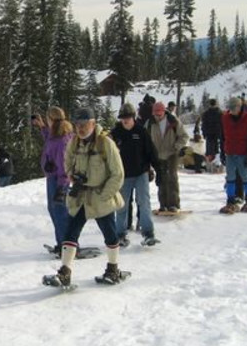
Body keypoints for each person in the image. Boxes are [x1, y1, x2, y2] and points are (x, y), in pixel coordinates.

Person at [42, 108, 129, 288]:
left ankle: (113, 269)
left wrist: (105, 194)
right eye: (78, 124)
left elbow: (118, 174)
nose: (80, 128)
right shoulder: (74, 142)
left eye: (84, 124)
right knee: (71, 231)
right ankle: (65, 272)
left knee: (109, 233)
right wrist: (72, 175)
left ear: (93, 123)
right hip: (81, 195)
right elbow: (67, 161)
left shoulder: (105, 143)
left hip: (100, 197)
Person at [110, 103, 159, 247]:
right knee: (121, 205)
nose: (125, 120)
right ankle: (120, 234)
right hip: (123, 175)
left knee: (143, 202)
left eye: (128, 117)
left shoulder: (141, 131)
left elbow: (151, 152)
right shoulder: (115, 133)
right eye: (123, 118)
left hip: (141, 173)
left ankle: (148, 233)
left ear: (133, 117)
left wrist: (158, 170)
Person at [32, 107, 74, 254]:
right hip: (52, 178)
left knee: (60, 211)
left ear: (52, 119)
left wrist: (62, 187)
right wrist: (41, 126)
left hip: (59, 180)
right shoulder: (55, 134)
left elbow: (64, 165)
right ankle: (61, 242)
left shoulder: (62, 139)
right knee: (54, 210)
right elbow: (49, 138)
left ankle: (68, 245)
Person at [220, 97, 247, 214]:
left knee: (246, 177)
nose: (232, 111)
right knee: (230, 177)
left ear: (240, 107)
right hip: (230, 152)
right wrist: (222, 152)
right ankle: (230, 201)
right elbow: (222, 136)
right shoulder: (225, 118)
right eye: (230, 108)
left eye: (234, 108)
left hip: (244, 153)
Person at [145, 101, 189, 212]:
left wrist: (177, 146)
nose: (157, 117)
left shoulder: (173, 121)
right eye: (155, 114)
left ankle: (174, 204)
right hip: (157, 155)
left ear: (164, 112)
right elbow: (145, 138)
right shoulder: (149, 123)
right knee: (161, 179)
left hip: (171, 153)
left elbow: (184, 136)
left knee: (172, 178)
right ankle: (163, 204)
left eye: (159, 114)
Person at [201, 98, 224, 165]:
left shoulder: (206, 113)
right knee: (216, 150)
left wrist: (204, 133)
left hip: (210, 134)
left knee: (210, 150)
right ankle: (216, 164)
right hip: (217, 134)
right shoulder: (220, 113)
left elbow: (204, 124)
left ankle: (211, 164)